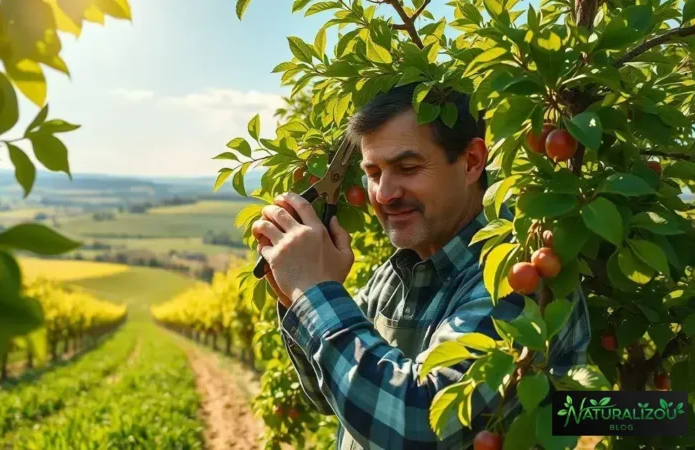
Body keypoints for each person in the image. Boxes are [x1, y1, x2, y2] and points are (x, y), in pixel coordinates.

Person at [251, 83, 591, 450]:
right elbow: (328, 396)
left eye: (408, 167)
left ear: (472, 162)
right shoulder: (395, 275)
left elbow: (419, 425)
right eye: (373, 173)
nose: (384, 193)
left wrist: (316, 293)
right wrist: (295, 296)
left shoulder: (517, 278)